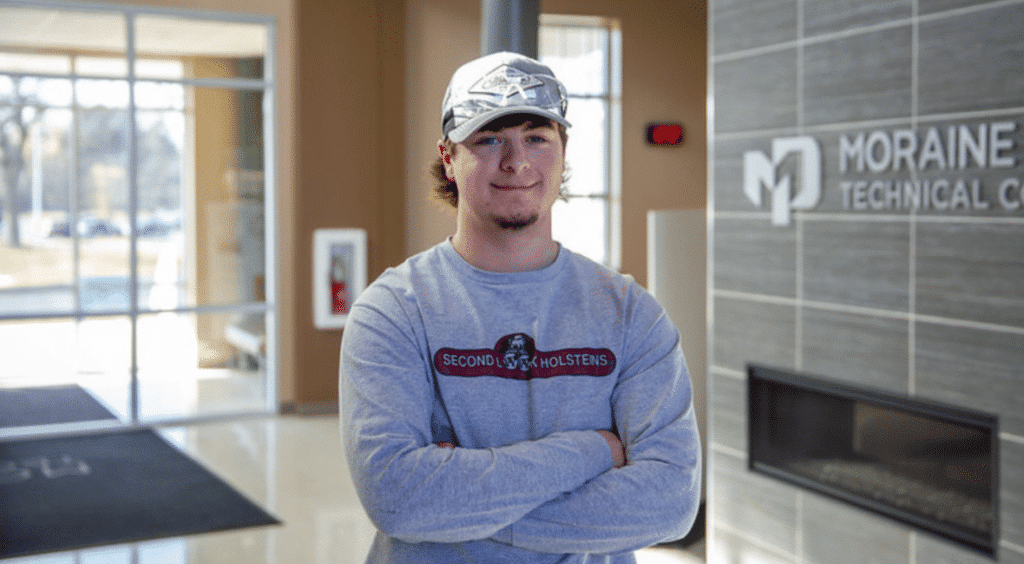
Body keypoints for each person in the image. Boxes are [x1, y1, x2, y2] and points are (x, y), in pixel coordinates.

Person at [339, 51, 701, 563]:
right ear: (448, 157)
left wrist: (457, 509)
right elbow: (398, 499)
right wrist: (595, 450)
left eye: (537, 138)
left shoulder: (629, 314)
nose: (517, 162)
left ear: (563, 151)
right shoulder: (393, 311)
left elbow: (670, 502)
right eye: (489, 139)